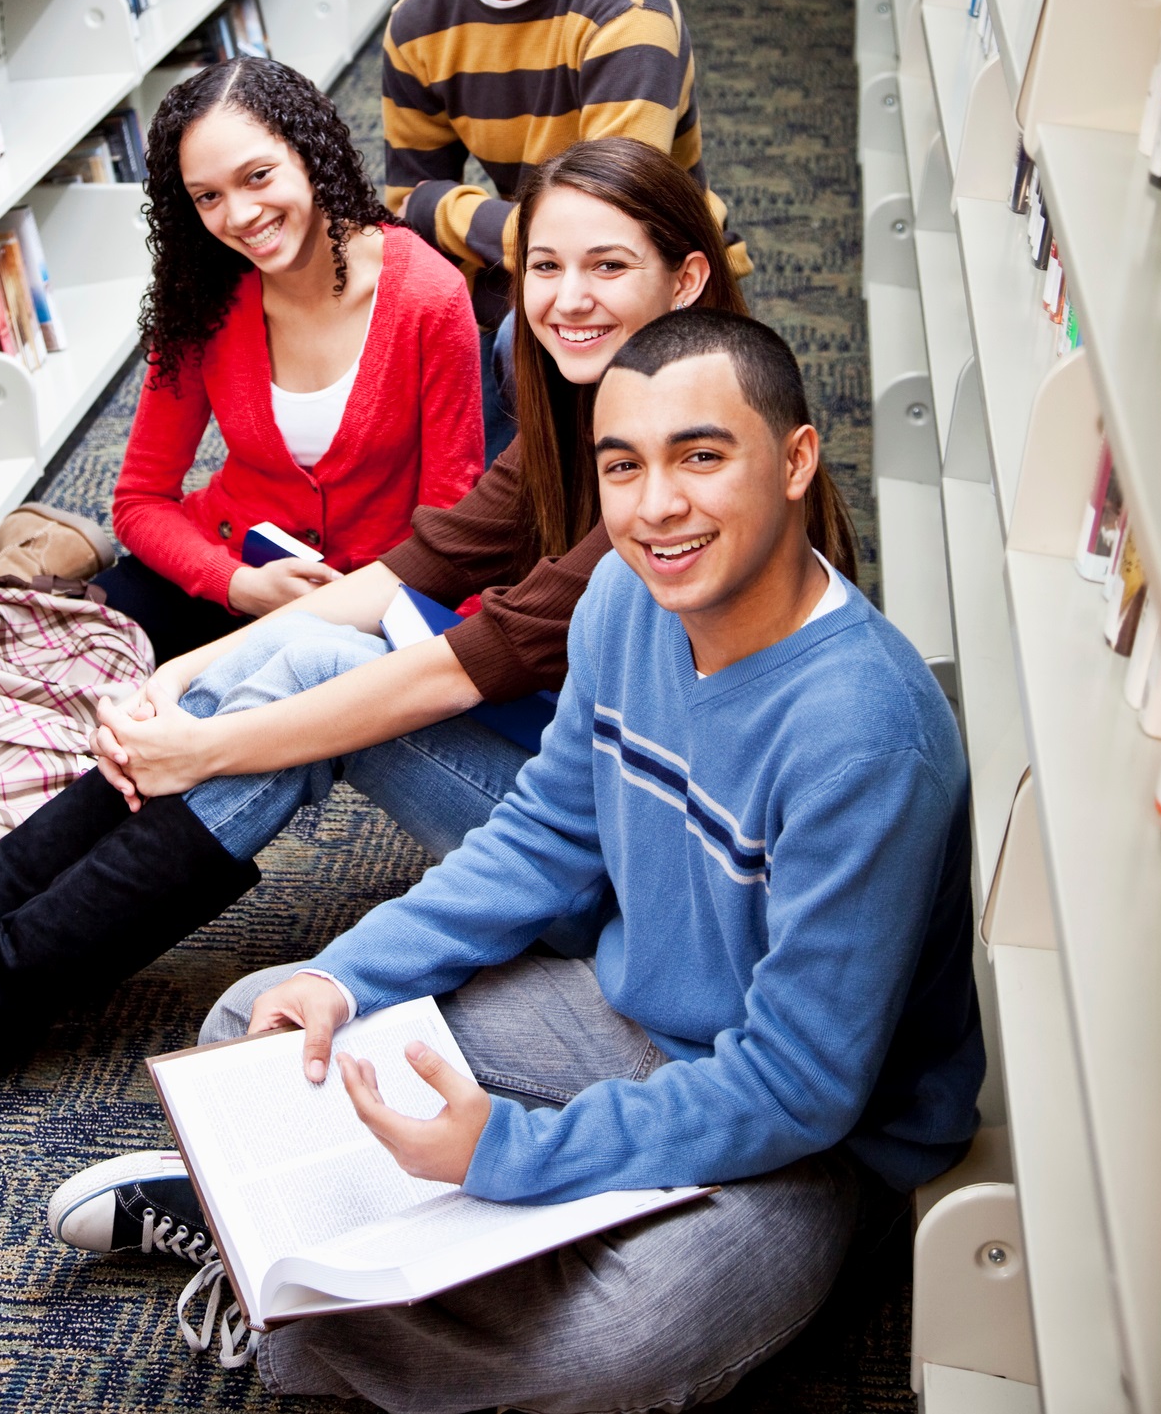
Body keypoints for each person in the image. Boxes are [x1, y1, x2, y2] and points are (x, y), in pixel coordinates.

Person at [57, 310, 982, 1411]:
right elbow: (541, 837)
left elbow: (800, 1085)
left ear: (793, 461)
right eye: (622, 467)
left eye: (701, 456)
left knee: (627, 1337)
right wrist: (339, 978)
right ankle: (329, 1247)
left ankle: (288, 1290)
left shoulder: (864, 734)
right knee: (255, 1029)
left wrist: (509, 1154)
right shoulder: (623, 600)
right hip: (618, 1018)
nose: (658, 507)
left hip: (812, 1141)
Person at [0, 147, 805, 1086]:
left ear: (688, 278)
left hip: (652, 885)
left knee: (312, 672)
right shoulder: (593, 406)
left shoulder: (683, 475)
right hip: (593, 784)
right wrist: (187, 675)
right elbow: (414, 566)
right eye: (544, 266)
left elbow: (458, 667)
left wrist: (207, 744)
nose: (568, 300)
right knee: (300, 649)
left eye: (607, 268)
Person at [382, 0, 744, 458]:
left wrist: (471, 226)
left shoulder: (621, 5)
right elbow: (405, 206)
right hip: (531, 267)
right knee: (408, 343)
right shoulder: (419, 21)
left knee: (524, 341)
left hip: (657, 271)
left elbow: (609, 228)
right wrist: (487, 247)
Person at [90, 54, 483, 664]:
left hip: (368, 603)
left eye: (258, 176)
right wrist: (238, 585)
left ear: (309, 151)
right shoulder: (204, 295)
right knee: (76, 672)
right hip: (227, 571)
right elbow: (139, 502)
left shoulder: (428, 297)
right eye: (208, 196)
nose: (240, 216)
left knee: (214, 734)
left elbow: (449, 527)